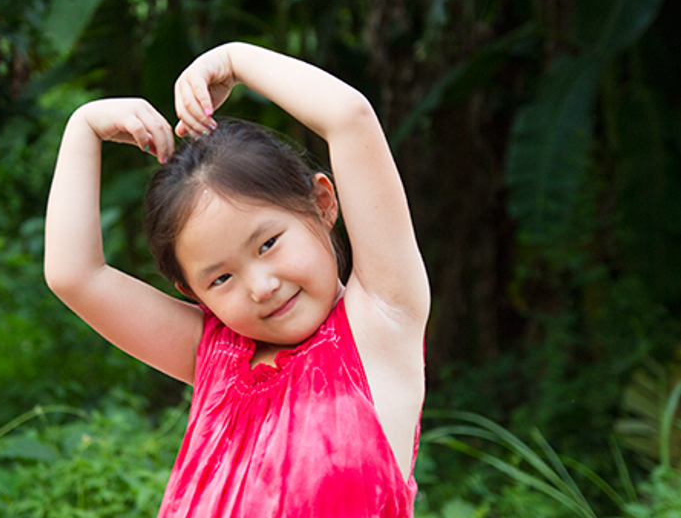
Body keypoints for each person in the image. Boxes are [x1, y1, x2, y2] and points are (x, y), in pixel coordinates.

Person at [44, 41, 429, 517]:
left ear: (322, 203)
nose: (261, 287)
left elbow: (350, 119)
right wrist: (83, 128)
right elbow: (75, 276)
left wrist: (234, 60)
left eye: (268, 244)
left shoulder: (381, 325)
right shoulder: (212, 354)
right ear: (193, 293)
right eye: (221, 278)